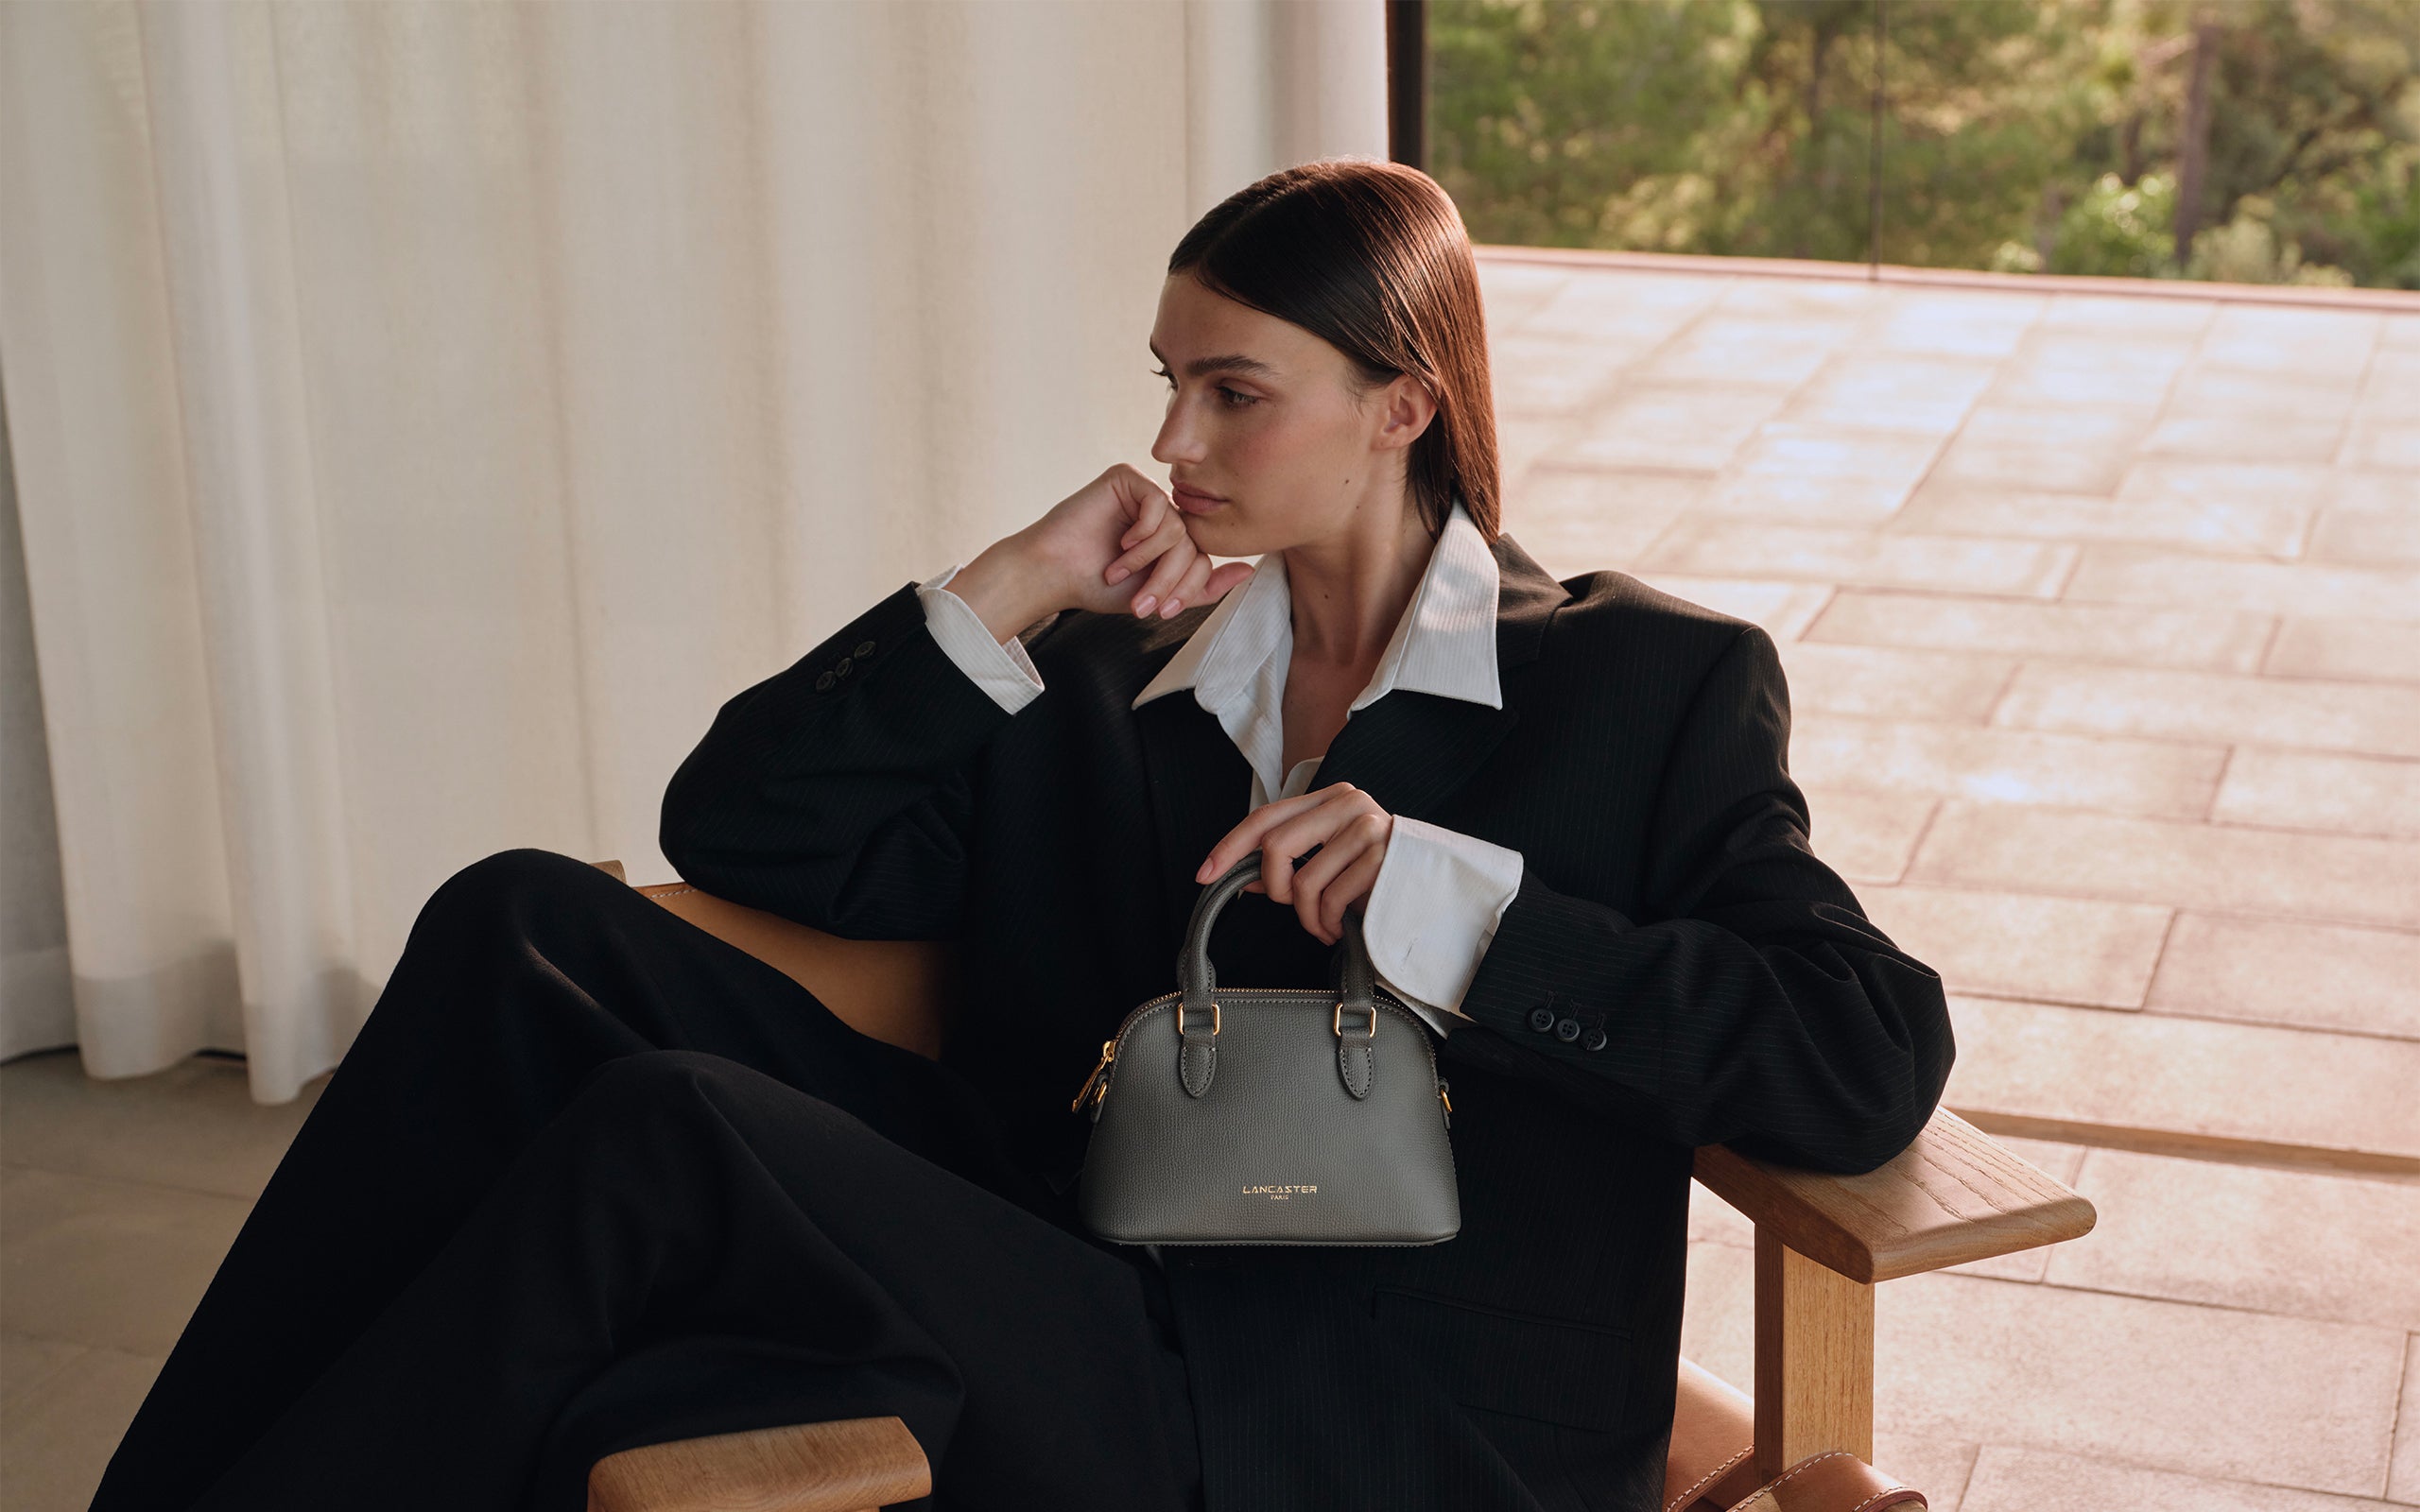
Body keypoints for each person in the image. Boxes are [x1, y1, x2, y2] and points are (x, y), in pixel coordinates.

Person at [91, 160, 1952, 1512]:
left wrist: (1449, 902)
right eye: (1167, 382)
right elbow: (741, 828)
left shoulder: (1640, 685)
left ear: (1401, 405)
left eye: (1235, 393)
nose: (1175, 441)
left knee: (666, 1127)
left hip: (1368, 1410)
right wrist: (1009, 586)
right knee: (516, 922)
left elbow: (1863, 1055)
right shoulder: (1113, 671)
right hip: (1053, 1242)